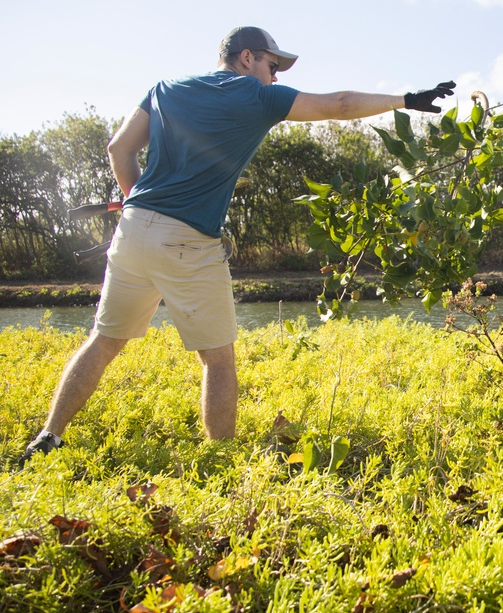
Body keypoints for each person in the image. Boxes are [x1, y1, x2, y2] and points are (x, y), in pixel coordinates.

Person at [20, 26, 454, 465]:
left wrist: (137, 201)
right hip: (188, 241)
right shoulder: (256, 98)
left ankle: (48, 436)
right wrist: (407, 99)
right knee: (218, 360)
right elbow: (339, 105)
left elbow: (119, 149)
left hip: (131, 232)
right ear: (246, 58)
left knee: (103, 341)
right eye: (272, 65)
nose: (276, 77)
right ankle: (221, 464)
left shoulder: (165, 89)